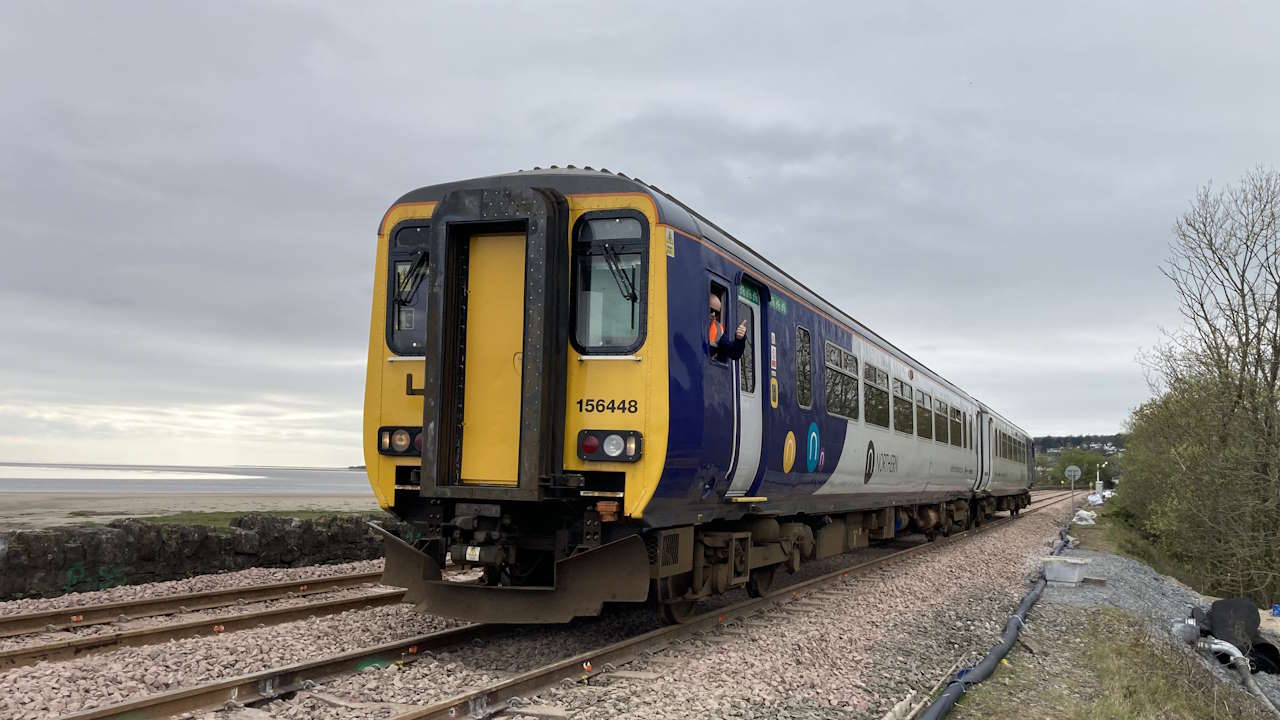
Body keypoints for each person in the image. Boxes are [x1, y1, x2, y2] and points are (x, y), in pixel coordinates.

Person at [709, 292, 747, 361]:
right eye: (711, 310)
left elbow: (734, 353)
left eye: (717, 312)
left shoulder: (718, 330)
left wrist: (739, 339)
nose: (713, 314)